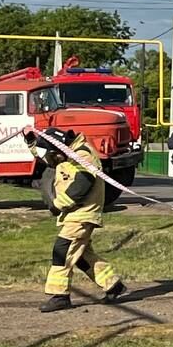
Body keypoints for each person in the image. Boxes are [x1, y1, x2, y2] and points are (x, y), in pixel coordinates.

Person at [29, 127, 126, 313]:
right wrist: (30, 141)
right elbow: (46, 158)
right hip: (74, 215)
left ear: (59, 147)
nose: (51, 156)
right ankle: (113, 285)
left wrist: (58, 204)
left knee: (62, 250)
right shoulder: (65, 152)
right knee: (80, 256)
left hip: (83, 214)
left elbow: (82, 184)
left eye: (52, 151)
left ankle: (60, 295)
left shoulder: (83, 154)